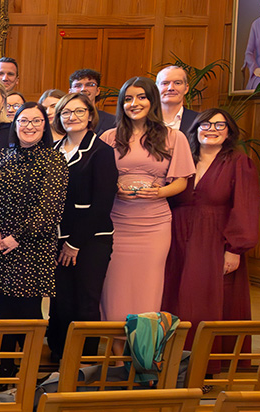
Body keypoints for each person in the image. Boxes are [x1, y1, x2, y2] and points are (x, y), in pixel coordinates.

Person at [163, 109, 259, 367]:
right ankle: (169, 364)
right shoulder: (182, 159)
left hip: (215, 241)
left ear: (229, 131)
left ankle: (202, 367)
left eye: (220, 125)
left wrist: (235, 249)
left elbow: (246, 207)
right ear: (194, 129)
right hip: (176, 238)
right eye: (205, 124)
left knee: (203, 304)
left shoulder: (239, 162)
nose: (212, 129)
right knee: (173, 300)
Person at [0, 102, 67, 385]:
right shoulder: (3, 156)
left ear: (45, 126)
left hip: (33, 247)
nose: (29, 126)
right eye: (23, 121)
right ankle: (4, 369)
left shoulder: (54, 160)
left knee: (27, 314)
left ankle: (25, 372)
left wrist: (17, 237)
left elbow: (49, 209)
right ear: (14, 125)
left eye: (36, 121)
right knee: (4, 311)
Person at [98, 77, 195, 323]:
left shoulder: (174, 137)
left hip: (154, 225)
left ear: (152, 101)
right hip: (116, 222)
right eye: (128, 99)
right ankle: (116, 349)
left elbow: (182, 181)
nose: (134, 103)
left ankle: (142, 348)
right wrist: (112, 186)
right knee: (114, 286)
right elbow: (95, 178)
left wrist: (159, 192)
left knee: (148, 285)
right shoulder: (109, 137)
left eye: (141, 97)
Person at [45, 93, 117, 360]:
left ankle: (83, 362)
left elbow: (102, 203)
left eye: (78, 111)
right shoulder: (53, 150)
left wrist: (74, 244)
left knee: (85, 302)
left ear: (90, 115)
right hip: (56, 238)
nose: (71, 117)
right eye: (65, 112)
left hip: (90, 240)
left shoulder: (101, 152)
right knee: (60, 299)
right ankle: (58, 353)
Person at [69, 68, 117, 134]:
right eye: (78, 86)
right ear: (70, 92)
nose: (83, 89)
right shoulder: (64, 120)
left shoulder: (112, 121)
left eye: (90, 85)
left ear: (97, 91)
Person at [156, 66, 200, 131]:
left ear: (186, 88)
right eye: (165, 83)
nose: (171, 88)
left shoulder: (199, 120)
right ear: (156, 88)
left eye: (177, 83)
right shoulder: (144, 119)